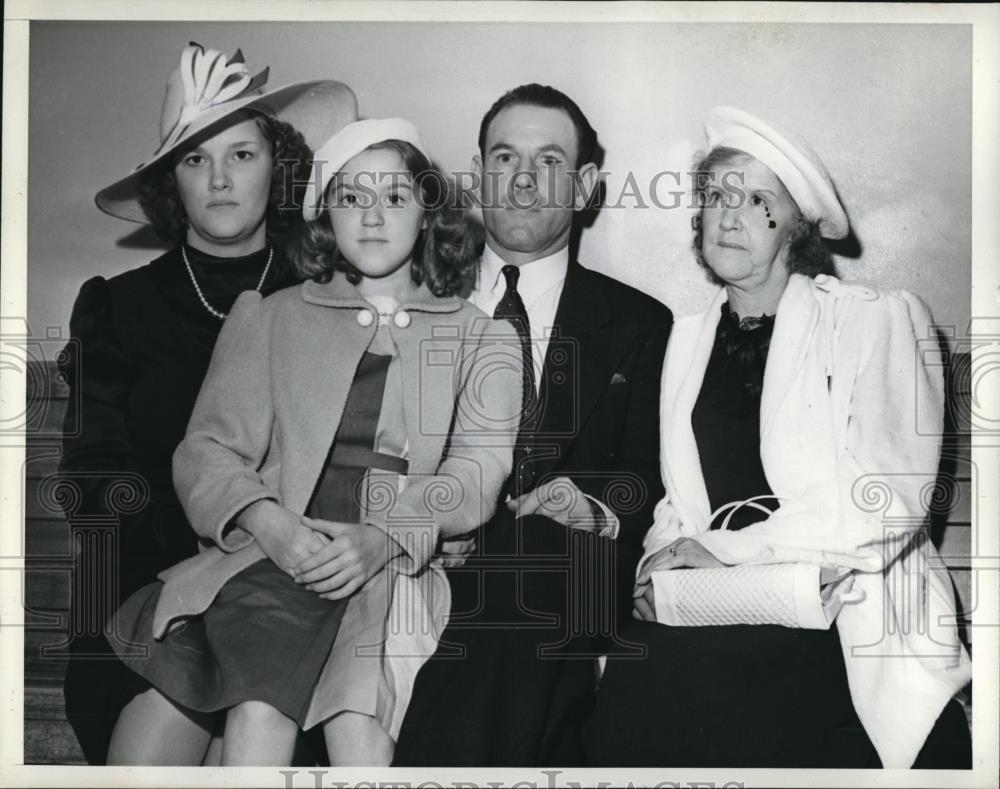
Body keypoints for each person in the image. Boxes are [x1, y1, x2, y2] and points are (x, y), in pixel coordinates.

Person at [103, 118, 523, 766]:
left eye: (394, 196)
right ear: (325, 212)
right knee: (252, 709)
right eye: (352, 197)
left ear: (428, 210)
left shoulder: (482, 337)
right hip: (275, 555)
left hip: (395, 563)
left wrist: (384, 536)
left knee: (360, 725)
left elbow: (477, 471)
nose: (374, 217)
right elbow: (206, 450)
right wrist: (269, 524)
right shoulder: (271, 317)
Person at [585, 106, 972, 768]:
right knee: (634, 667)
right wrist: (656, 568)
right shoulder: (677, 342)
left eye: (758, 198)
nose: (731, 214)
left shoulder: (878, 321)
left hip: (847, 617)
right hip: (711, 608)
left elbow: (884, 499)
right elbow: (677, 508)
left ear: (796, 228)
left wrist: (723, 554)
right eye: (717, 195)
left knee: (749, 687)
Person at [56, 41, 356, 764]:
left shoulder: (332, 299)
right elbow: (92, 484)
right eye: (195, 159)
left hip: (296, 597)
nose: (219, 178)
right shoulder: (117, 308)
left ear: (278, 170)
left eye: (242, 155)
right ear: (171, 184)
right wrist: (207, 551)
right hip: (146, 593)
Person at [393, 84, 673, 766]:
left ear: (583, 186)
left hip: (564, 572)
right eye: (503, 157)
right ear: (477, 173)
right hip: (422, 560)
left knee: (535, 565)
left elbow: (647, 477)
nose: (521, 180)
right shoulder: (413, 301)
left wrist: (598, 510)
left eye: (548, 161)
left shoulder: (641, 325)